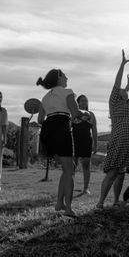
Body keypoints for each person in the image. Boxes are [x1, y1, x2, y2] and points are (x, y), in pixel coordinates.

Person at [96, 50, 129, 212]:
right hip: (118, 143)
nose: (121, 90)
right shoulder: (114, 103)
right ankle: (100, 202)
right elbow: (117, 82)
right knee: (112, 174)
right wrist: (122, 64)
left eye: (123, 90)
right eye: (119, 90)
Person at [37, 69, 83, 217]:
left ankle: (59, 203)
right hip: (62, 127)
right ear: (59, 78)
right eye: (65, 75)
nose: (67, 77)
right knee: (69, 170)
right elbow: (76, 113)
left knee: (69, 167)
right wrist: (86, 115)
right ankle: (68, 208)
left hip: (47, 129)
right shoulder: (67, 92)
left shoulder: (44, 97)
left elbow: (39, 120)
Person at [72, 94, 98, 195]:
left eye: (86, 101)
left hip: (87, 142)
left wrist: (95, 145)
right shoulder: (73, 114)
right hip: (74, 142)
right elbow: (68, 127)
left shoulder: (91, 114)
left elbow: (94, 130)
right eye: (82, 101)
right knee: (72, 166)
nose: (84, 102)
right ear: (78, 102)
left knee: (86, 165)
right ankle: (70, 186)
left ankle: (85, 188)